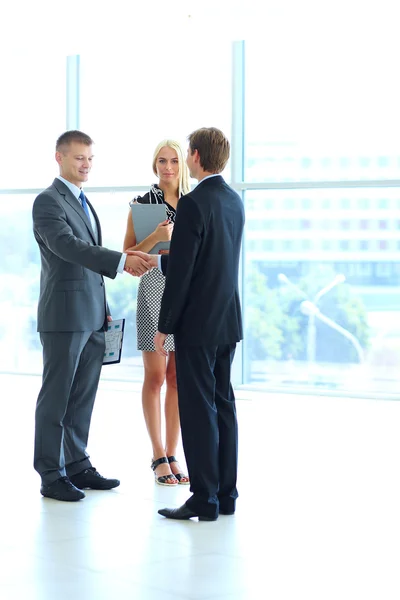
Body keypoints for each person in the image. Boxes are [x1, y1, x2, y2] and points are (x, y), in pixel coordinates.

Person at [32, 130, 152, 502]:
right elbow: (68, 247)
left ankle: (78, 466)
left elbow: (87, 260)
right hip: (64, 317)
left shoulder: (84, 201)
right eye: (78, 158)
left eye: (90, 159)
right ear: (59, 158)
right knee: (57, 398)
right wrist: (120, 261)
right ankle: (51, 475)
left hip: (91, 315)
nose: (85, 165)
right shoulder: (48, 202)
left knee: (82, 396)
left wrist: (104, 309)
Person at [153, 127, 245, 521]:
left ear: (194, 156)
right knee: (224, 404)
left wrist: (164, 324)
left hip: (197, 325)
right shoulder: (234, 201)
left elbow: (185, 272)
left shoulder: (193, 203)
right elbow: (213, 261)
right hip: (227, 320)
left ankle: (203, 498)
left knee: (198, 409)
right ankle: (226, 495)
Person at [123, 140, 191, 486]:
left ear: (184, 164)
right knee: (156, 376)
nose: (168, 167)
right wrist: (157, 235)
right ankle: (157, 455)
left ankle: (172, 452)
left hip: (187, 295)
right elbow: (127, 255)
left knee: (178, 378)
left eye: (174, 160)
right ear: (155, 165)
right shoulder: (143, 203)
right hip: (153, 291)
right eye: (162, 161)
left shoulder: (194, 203)